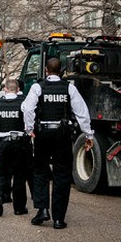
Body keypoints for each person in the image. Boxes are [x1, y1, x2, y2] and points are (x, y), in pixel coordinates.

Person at [22, 57, 93, 229]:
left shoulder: (38, 87)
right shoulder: (69, 88)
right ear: (60, 71)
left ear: (46, 70)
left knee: (40, 171)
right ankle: (59, 218)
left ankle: (42, 210)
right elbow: (81, 112)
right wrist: (88, 134)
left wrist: (29, 128)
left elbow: (27, 108)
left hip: (43, 134)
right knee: (62, 174)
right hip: (62, 135)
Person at [0, 79, 32, 217]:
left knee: (1, 173)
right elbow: (28, 122)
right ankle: (19, 208)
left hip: (1, 143)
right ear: (18, 89)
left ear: (5, 89)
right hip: (19, 143)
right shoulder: (23, 103)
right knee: (19, 175)